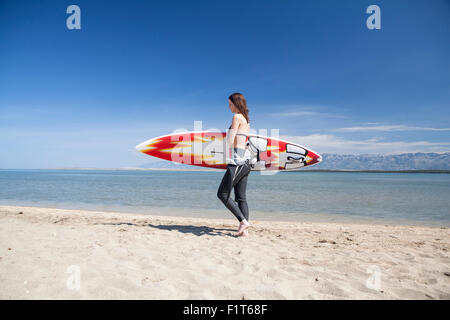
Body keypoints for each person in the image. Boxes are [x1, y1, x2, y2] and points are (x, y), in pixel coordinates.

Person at [217, 93, 252, 237]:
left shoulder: (236, 117)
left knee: (223, 194)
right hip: (246, 162)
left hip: (237, 161)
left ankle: (243, 221)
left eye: (230, 104)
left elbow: (230, 142)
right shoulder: (246, 120)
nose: (228, 106)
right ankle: (244, 231)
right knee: (241, 197)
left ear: (236, 103)